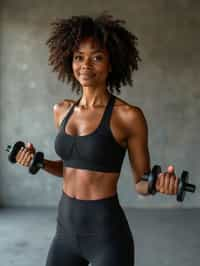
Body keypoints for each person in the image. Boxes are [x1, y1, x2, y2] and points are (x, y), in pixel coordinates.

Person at [16, 13, 179, 266]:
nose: (85, 65)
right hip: (65, 235)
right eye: (79, 57)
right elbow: (71, 168)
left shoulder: (128, 117)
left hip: (107, 237)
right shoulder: (61, 111)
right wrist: (38, 162)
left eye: (97, 57)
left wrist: (158, 184)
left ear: (112, 64)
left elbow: (140, 184)